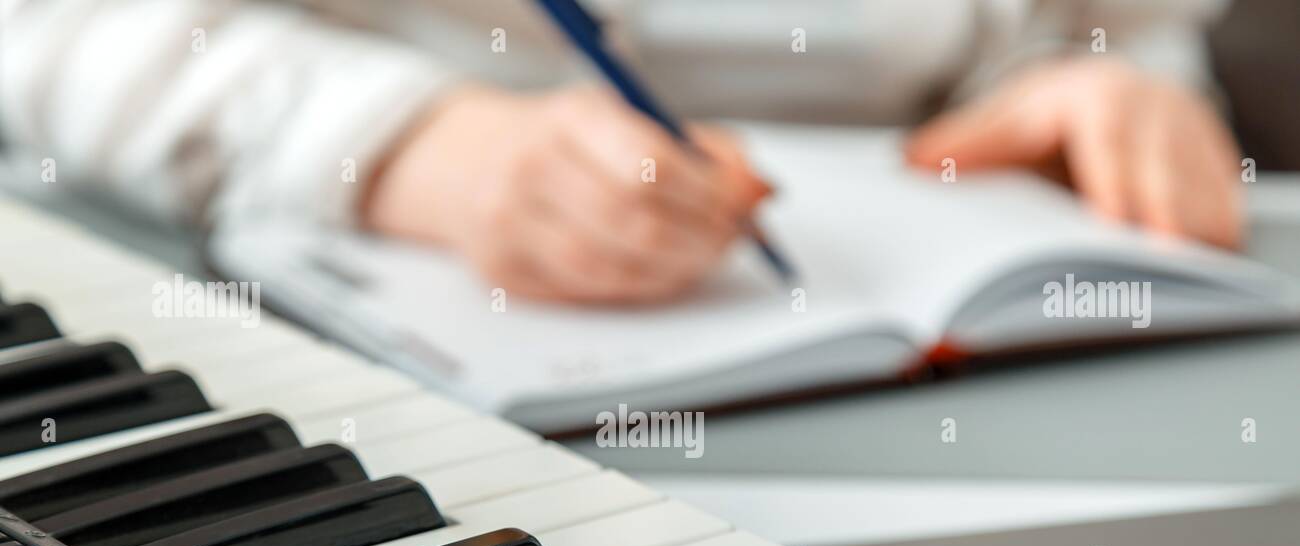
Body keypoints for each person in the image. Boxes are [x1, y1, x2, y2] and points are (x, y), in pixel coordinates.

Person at [0, 0, 1244, 304]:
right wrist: (402, 145)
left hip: (950, 307)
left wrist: (1108, 74)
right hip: (345, 276)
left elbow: (1126, 21)